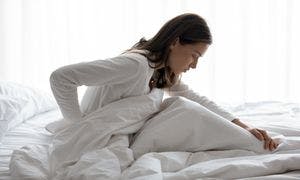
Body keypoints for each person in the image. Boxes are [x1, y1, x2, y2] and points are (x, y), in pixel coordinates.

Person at [49, 13, 278, 151]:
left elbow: (191, 96)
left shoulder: (158, 68)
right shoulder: (136, 64)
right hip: (97, 132)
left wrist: (243, 125)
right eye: (194, 55)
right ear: (175, 42)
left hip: (120, 130)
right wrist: (75, 125)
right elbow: (61, 77)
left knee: (188, 109)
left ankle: (245, 141)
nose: (194, 65)